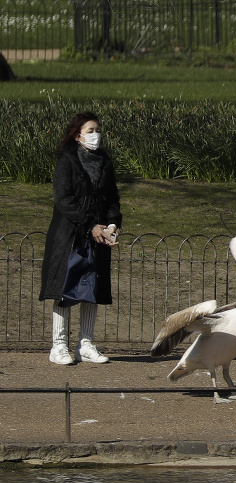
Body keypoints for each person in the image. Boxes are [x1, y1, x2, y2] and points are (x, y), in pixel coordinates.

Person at [39, 111, 122, 365]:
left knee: (92, 288)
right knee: (65, 288)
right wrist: (90, 225)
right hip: (71, 235)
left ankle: (86, 343)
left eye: (98, 130)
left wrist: (111, 224)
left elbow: (111, 199)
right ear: (77, 135)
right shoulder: (67, 159)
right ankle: (58, 345)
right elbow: (63, 199)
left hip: (97, 237)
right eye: (90, 131)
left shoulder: (104, 160)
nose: (95, 135)